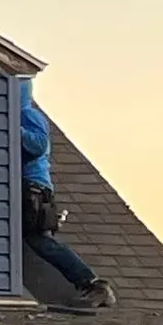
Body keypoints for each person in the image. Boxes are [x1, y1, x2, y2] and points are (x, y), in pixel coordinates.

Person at [20, 78, 116, 308]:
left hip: (33, 188)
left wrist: (13, 127)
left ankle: (92, 284)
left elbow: (39, 144)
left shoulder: (26, 114)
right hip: (25, 186)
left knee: (39, 240)